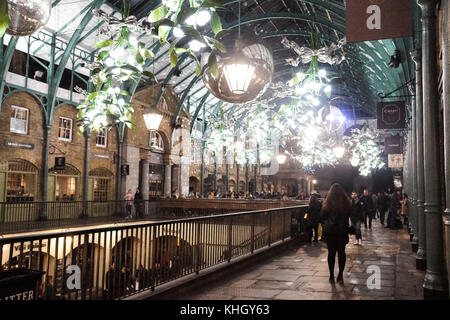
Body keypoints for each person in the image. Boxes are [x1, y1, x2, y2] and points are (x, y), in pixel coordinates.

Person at [320, 183, 351, 284]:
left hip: (330, 232)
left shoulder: (327, 203)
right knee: (341, 253)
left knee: (331, 253)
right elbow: (350, 216)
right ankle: (340, 275)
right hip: (342, 232)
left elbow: (322, 217)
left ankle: (331, 276)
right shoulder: (347, 203)